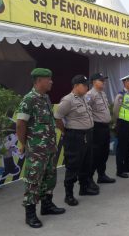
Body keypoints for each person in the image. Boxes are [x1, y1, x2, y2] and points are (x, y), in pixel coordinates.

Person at [16, 68, 65, 229]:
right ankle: (30, 214)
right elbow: (21, 124)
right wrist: (24, 144)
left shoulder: (45, 98)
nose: (51, 81)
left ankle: (47, 206)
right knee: (33, 180)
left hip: (49, 148)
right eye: (48, 79)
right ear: (38, 81)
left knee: (49, 178)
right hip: (36, 149)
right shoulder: (29, 99)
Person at [55, 75, 98, 207]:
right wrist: (65, 131)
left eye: (87, 85)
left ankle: (84, 188)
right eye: (84, 85)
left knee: (86, 163)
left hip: (87, 135)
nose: (87, 87)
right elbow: (57, 117)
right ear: (76, 86)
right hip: (75, 136)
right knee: (73, 165)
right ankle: (69, 195)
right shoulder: (68, 100)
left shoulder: (84, 98)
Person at [86, 73, 116, 186]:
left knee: (104, 152)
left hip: (105, 127)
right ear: (94, 82)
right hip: (97, 128)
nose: (104, 82)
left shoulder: (102, 93)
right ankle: (89, 179)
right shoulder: (90, 95)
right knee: (96, 154)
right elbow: (87, 111)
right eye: (101, 80)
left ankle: (101, 175)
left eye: (104, 80)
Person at [113, 73, 129, 178]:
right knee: (122, 148)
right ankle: (120, 170)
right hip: (123, 123)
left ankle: (128, 166)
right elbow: (115, 110)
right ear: (125, 83)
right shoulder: (121, 95)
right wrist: (116, 123)